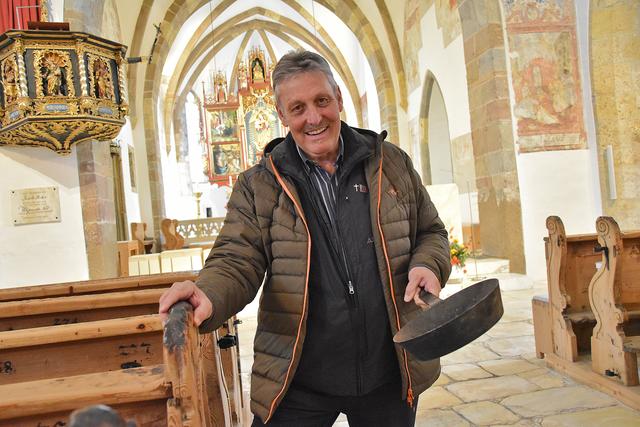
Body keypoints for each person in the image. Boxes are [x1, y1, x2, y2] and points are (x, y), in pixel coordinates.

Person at [159, 50, 451, 426]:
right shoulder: (259, 185)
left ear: (339, 99)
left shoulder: (390, 162)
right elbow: (236, 260)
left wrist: (428, 264)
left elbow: (430, 232)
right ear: (282, 116)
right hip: (299, 377)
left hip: (389, 368)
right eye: (298, 108)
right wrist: (208, 294)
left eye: (322, 101)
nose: (313, 118)